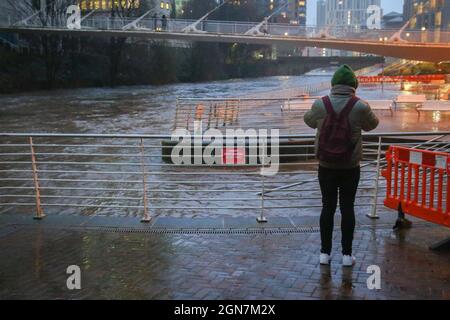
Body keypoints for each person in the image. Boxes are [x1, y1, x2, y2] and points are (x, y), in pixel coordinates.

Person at [304, 65, 379, 267]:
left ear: (333, 84)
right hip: (350, 166)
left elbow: (308, 121)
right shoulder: (360, 106)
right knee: (348, 209)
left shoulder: (320, 104)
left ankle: (324, 254)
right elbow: (373, 125)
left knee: (327, 207)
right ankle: (347, 256)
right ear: (354, 85)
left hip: (326, 165)